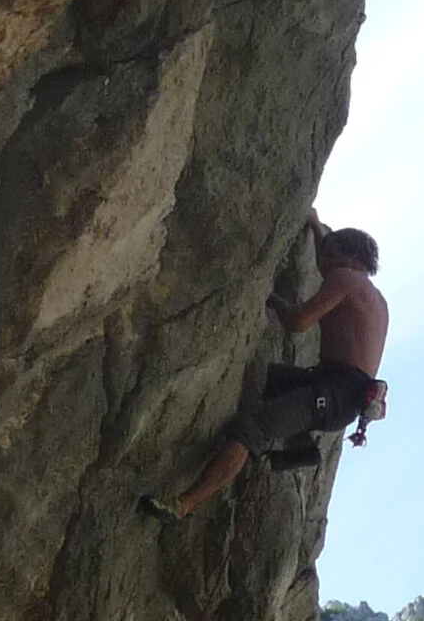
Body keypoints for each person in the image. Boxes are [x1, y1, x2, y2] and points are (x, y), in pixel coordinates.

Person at [144, 215, 388, 518]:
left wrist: (274, 300)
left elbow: (298, 322)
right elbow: (327, 252)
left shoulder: (344, 278)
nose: (322, 262)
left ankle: (182, 505)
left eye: (330, 254)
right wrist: (314, 227)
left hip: (334, 393)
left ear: (350, 257)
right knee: (268, 378)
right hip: (339, 390)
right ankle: (300, 444)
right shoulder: (376, 299)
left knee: (252, 426)